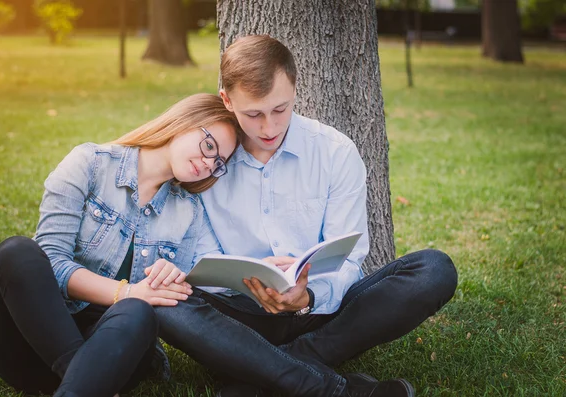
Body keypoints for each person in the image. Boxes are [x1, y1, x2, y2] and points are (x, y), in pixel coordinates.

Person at [154, 36, 458, 397]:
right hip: (242, 319)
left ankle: (266, 371)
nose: (268, 128)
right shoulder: (208, 159)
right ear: (227, 100)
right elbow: (198, 260)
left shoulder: (334, 152)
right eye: (253, 114)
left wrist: (307, 297)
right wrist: (250, 281)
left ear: (296, 88)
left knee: (434, 270)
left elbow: (349, 258)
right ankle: (327, 387)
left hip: (322, 312)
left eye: (280, 109)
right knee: (161, 301)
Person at [0, 93, 240, 397]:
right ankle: (83, 380)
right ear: (184, 121)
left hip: (114, 354)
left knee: (139, 312)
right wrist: (127, 291)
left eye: (218, 162)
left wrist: (168, 279)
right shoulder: (89, 164)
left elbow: (168, 301)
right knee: (16, 252)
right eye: (209, 145)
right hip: (32, 343)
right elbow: (52, 262)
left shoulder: (189, 212)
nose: (208, 162)